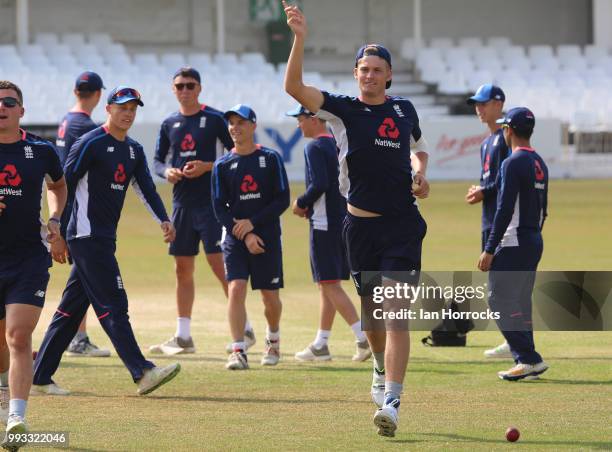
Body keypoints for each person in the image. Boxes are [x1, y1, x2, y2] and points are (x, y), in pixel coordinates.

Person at [283, 2, 430, 437]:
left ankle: (394, 403)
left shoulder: (404, 111)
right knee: (372, 313)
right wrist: (299, 38)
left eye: (376, 69)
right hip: (360, 229)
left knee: (395, 313)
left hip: (403, 226)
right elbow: (294, 87)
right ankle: (379, 375)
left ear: (388, 76)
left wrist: (420, 174)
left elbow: (419, 149)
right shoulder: (342, 109)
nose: (368, 74)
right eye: (362, 68)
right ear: (355, 74)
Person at [32, 86, 181, 396]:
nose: (128, 113)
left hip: (103, 237)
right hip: (84, 236)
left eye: (133, 109)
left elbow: (146, 188)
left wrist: (164, 219)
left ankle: (40, 376)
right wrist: (56, 232)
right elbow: (63, 186)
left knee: (69, 311)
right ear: (108, 109)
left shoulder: (134, 150)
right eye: (122, 107)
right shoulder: (90, 143)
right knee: (114, 303)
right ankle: (141, 372)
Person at [150, 67, 256, 356]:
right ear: (173, 90)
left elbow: (236, 151)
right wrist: (167, 172)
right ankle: (183, 336)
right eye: (180, 86)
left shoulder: (215, 119)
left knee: (220, 266)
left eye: (190, 85)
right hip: (181, 204)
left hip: (211, 205)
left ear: (199, 88)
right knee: (182, 269)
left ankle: (244, 328)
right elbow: (157, 161)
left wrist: (207, 167)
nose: (185, 90)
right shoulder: (168, 122)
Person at [0, 80, 67, 448]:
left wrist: (55, 222)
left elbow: (58, 186)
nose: (2, 107)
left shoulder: (40, 151)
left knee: (19, 336)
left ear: (21, 111)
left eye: (9, 102)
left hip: (28, 258)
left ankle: (17, 419)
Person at [286, 105, 370, 362]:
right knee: (327, 284)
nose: (298, 125)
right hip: (342, 219)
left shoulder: (314, 147)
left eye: (300, 119)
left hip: (323, 222)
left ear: (314, 119)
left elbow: (319, 183)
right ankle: (321, 343)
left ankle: (363, 338)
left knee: (329, 284)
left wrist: (301, 203)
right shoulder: (335, 144)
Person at [212, 104, 289, 370]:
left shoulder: (270, 158)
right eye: (231, 123)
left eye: (241, 123)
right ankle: (238, 349)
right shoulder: (222, 164)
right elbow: (219, 207)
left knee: (270, 297)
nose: (235, 128)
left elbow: (282, 200)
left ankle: (273, 338)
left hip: (267, 236)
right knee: (235, 289)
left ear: (253, 126)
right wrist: (244, 234)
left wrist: (253, 224)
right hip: (235, 238)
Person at [477, 107, 549, 381]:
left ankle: (528, 358)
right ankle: (527, 359)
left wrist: (490, 247)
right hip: (533, 238)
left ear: (509, 130)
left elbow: (503, 210)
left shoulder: (511, 162)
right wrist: (534, 236)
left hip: (514, 239)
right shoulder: (540, 161)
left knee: (497, 299)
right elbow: (544, 209)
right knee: (520, 301)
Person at [54, 71, 110, 358]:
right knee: (86, 273)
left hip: (66, 205)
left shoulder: (66, 121)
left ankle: (77, 336)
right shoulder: (87, 127)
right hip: (80, 211)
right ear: (98, 95)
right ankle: (76, 337)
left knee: (82, 275)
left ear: (76, 92)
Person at [465, 84, 512, 359]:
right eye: (476, 103)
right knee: (497, 285)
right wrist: (481, 190)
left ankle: (515, 343)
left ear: (498, 103)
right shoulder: (486, 142)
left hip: (503, 222)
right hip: (489, 220)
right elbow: (492, 181)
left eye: (483, 103)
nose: (478, 109)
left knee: (502, 285)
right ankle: (512, 340)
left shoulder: (507, 137)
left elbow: (508, 180)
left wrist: (486, 190)